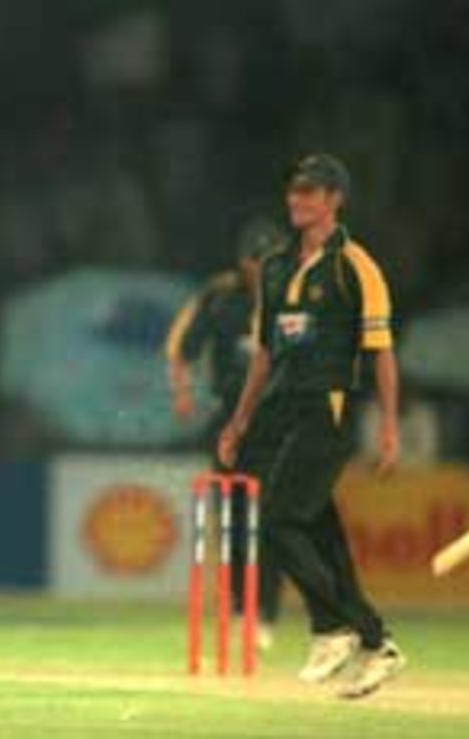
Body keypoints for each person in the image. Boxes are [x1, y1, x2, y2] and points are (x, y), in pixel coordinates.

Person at [217, 154, 406, 699]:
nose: (299, 199)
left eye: (312, 192)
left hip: (330, 408)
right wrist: (239, 421)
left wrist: (390, 427)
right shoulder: (275, 265)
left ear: (334, 200)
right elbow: (263, 354)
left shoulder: (355, 266)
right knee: (325, 538)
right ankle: (377, 643)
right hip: (283, 409)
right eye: (295, 190)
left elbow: (382, 352)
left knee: (276, 519)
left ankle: (333, 628)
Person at [164, 218, 287, 649]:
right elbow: (182, 350)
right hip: (227, 422)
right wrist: (182, 394)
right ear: (242, 263)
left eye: (269, 262)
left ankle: (266, 613)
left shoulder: (294, 299)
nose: (261, 270)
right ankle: (239, 609)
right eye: (255, 262)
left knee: (270, 520)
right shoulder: (221, 298)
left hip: (275, 422)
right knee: (233, 520)